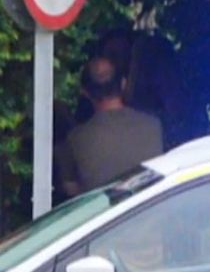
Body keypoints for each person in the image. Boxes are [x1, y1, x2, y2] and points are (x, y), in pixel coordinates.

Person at [62, 56, 163, 196]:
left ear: (84, 92)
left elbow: (71, 190)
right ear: (123, 83)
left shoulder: (76, 139)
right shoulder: (154, 126)